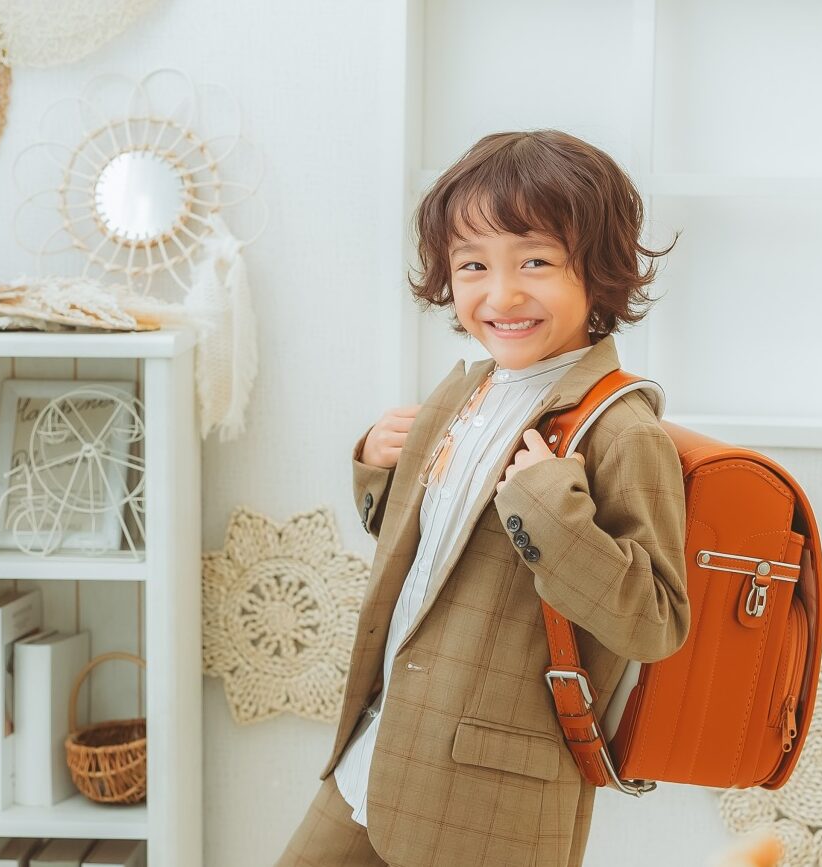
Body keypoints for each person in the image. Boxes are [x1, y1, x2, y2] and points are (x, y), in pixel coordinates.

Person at [276, 129, 690, 866]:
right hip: (378, 749)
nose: (500, 294)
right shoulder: (464, 393)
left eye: (535, 261)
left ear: (598, 269)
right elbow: (440, 560)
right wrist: (377, 469)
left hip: (489, 798)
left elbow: (656, 622)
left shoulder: (621, 430)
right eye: (473, 265)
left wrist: (553, 518)